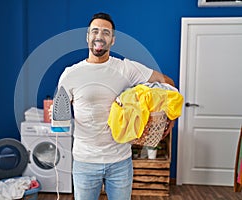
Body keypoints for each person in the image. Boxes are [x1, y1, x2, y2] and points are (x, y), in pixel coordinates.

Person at [53, 12, 175, 200]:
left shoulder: (126, 69)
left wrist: (171, 118)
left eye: (106, 32)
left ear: (113, 40)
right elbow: (60, 118)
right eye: (95, 31)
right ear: (87, 37)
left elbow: (168, 83)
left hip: (120, 162)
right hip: (85, 162)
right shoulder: (70, 75)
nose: (99, 36)